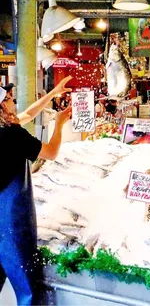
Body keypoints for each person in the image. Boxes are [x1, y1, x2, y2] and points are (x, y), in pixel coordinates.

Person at [0, 76, 73, 305]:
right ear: (1, 107)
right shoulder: (12, 135)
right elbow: (51, 153)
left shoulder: (6, 129)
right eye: (9, 99)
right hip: (11, 220)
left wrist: (52, 94)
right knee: (26, 283)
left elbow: (29, 115)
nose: (13, 102)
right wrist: (60, 124)